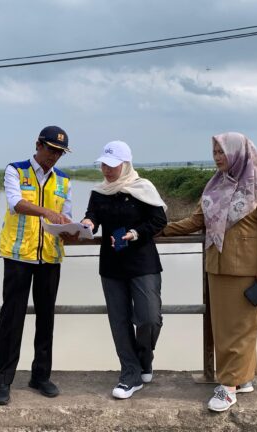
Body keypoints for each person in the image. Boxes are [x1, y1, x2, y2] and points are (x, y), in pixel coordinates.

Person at [161, 132, 257, 412]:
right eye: (214, 152)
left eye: (222, 152)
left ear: (239, 152)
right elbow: (196, 221)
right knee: (227, 329)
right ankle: (243, 378)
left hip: (247, 271)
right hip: (217, 266)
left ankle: (228, 387)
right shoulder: (215, 185)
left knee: (239, 329)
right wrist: (159, 230)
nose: (217, 157)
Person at [0, 125, 76, 406]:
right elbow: (16, 204)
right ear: (38, 145)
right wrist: (47, 212)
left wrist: (72, 229)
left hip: (49, 258)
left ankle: (40, 376)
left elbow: (65, 216)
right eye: (51, 150)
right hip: (19, 257)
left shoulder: (64, 180)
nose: (54, 156)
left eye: (60, 153)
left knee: (46, 319)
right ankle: (3, 380)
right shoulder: (15, 171)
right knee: (11, 319)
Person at [80, 140, 168, 399]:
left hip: (143, 262)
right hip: (112, 264)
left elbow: (159, 220)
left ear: (126, 164)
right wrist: (87, 223)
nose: (107, 170)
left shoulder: (143, 188)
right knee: (119, 321)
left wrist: (135, 233)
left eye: (112, 165)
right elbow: (93, 217)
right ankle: (130, 374)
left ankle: (144, 356)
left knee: (150, 317)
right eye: (104, 165)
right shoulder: (99, 192)